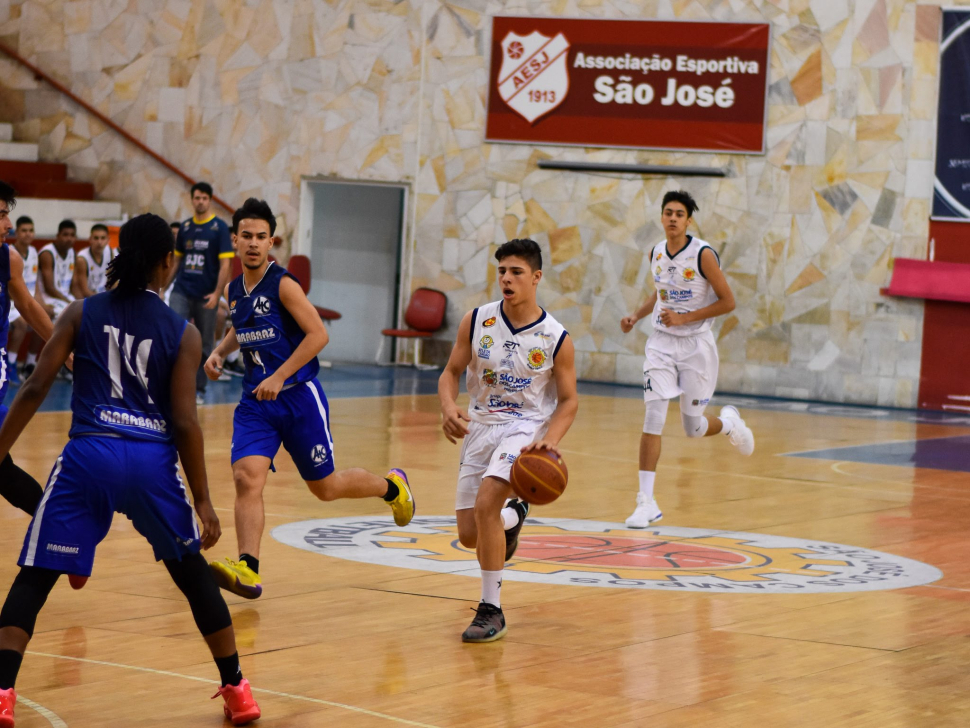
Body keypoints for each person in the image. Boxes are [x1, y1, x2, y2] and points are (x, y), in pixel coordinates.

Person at [0, 214, 261, 726]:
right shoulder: (183, 333)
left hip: (89, 456)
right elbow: (185, 422)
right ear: (168, 262)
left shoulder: (82, 311)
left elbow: (33, 389)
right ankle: (237, 690)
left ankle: (3, 693)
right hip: (150, 464)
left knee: (35, 577)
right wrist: (203, 500)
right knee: (192, 577)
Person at [204, 199, 415, 600]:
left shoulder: (284, 284)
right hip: (256, 403)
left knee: (326, 488)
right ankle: (248, 567)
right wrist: (219, 351)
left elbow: (319, 335)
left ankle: (392, 488)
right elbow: (243, 327)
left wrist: (281, 376)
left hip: (299, 398)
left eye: (260, 237)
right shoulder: (234, 289)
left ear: (271, 242)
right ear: (234, 240)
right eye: (245, 236)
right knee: (246, 477)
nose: (253, 243)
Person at [438, 238, 578, 643]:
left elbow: (568, 401)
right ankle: (513, 516)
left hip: (525, 427)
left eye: (516, 272)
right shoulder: (476, 320)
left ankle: (491, 610)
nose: (506, 279)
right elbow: (450, 373)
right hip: (480, 425)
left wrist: (548, 441)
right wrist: (448, 407)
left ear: (536, 278)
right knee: (469, 533)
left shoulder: (555, 337)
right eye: (501, 271)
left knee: (485, 504)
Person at [619, 190, 754, 528]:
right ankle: (645, 502)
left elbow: (728, 302)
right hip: (662, 344)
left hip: (696, 346)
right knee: (653, 416)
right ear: (662, 217)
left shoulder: (703, 254)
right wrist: (636, 316)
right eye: (668, 212)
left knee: (693, 428)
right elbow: (661, 291)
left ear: (688, 220)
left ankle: (729, 424)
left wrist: (685, 318)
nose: (673, 218)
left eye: (680, 213)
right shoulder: (656, 252)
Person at [0, 185, 57, 520]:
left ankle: (55, 523)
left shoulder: (8, 259)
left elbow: (30, 306)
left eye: (7, 214)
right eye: (1, 216)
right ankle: (56, 524)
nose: (8, 224)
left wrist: (64, 350)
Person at [168, 183, 234, 404]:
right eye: (197, 198)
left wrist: (217, 294)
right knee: (175, 335)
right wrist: (162, 287)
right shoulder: (185, 227)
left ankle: (199, 389)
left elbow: (225, 265)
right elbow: (177, 260)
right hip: (182, 290)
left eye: (204, 198)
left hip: (207, 294)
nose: (200, 202)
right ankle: (172, 385)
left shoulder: (219, 228)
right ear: (192, 199)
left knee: (204, 342)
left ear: (210, 200)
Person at [5, 216, 52, 383]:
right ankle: (10, 363)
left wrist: (42, 303)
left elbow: (36, 285)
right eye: (24, 230)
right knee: (22, 323)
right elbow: (10, 288)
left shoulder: (33, 252)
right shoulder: (9, 253)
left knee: (44, 316)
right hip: (12, 301)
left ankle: (30, 363)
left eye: (31, 230)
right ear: (16, 232)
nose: (28, 234)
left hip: (28, 298)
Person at [37, 219, 76, 317]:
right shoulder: (47, 254)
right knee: (69, 315)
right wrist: (68, 302)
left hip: (65, 297)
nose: (69, 238)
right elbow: (49, 288)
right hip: (49, 298)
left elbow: (74, 285)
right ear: (58, 236)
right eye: (65, 235)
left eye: (72, 235)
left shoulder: (72, 253)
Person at [72, 223, 115, 297]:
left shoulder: (110, 252)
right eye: (96, 238)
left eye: (103, 238)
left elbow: (113, 281)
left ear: (108, 239)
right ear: (90, 239)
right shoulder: (82, 259)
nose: (99, 242)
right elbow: (84, 291)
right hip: (90, 297)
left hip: (104, 295)